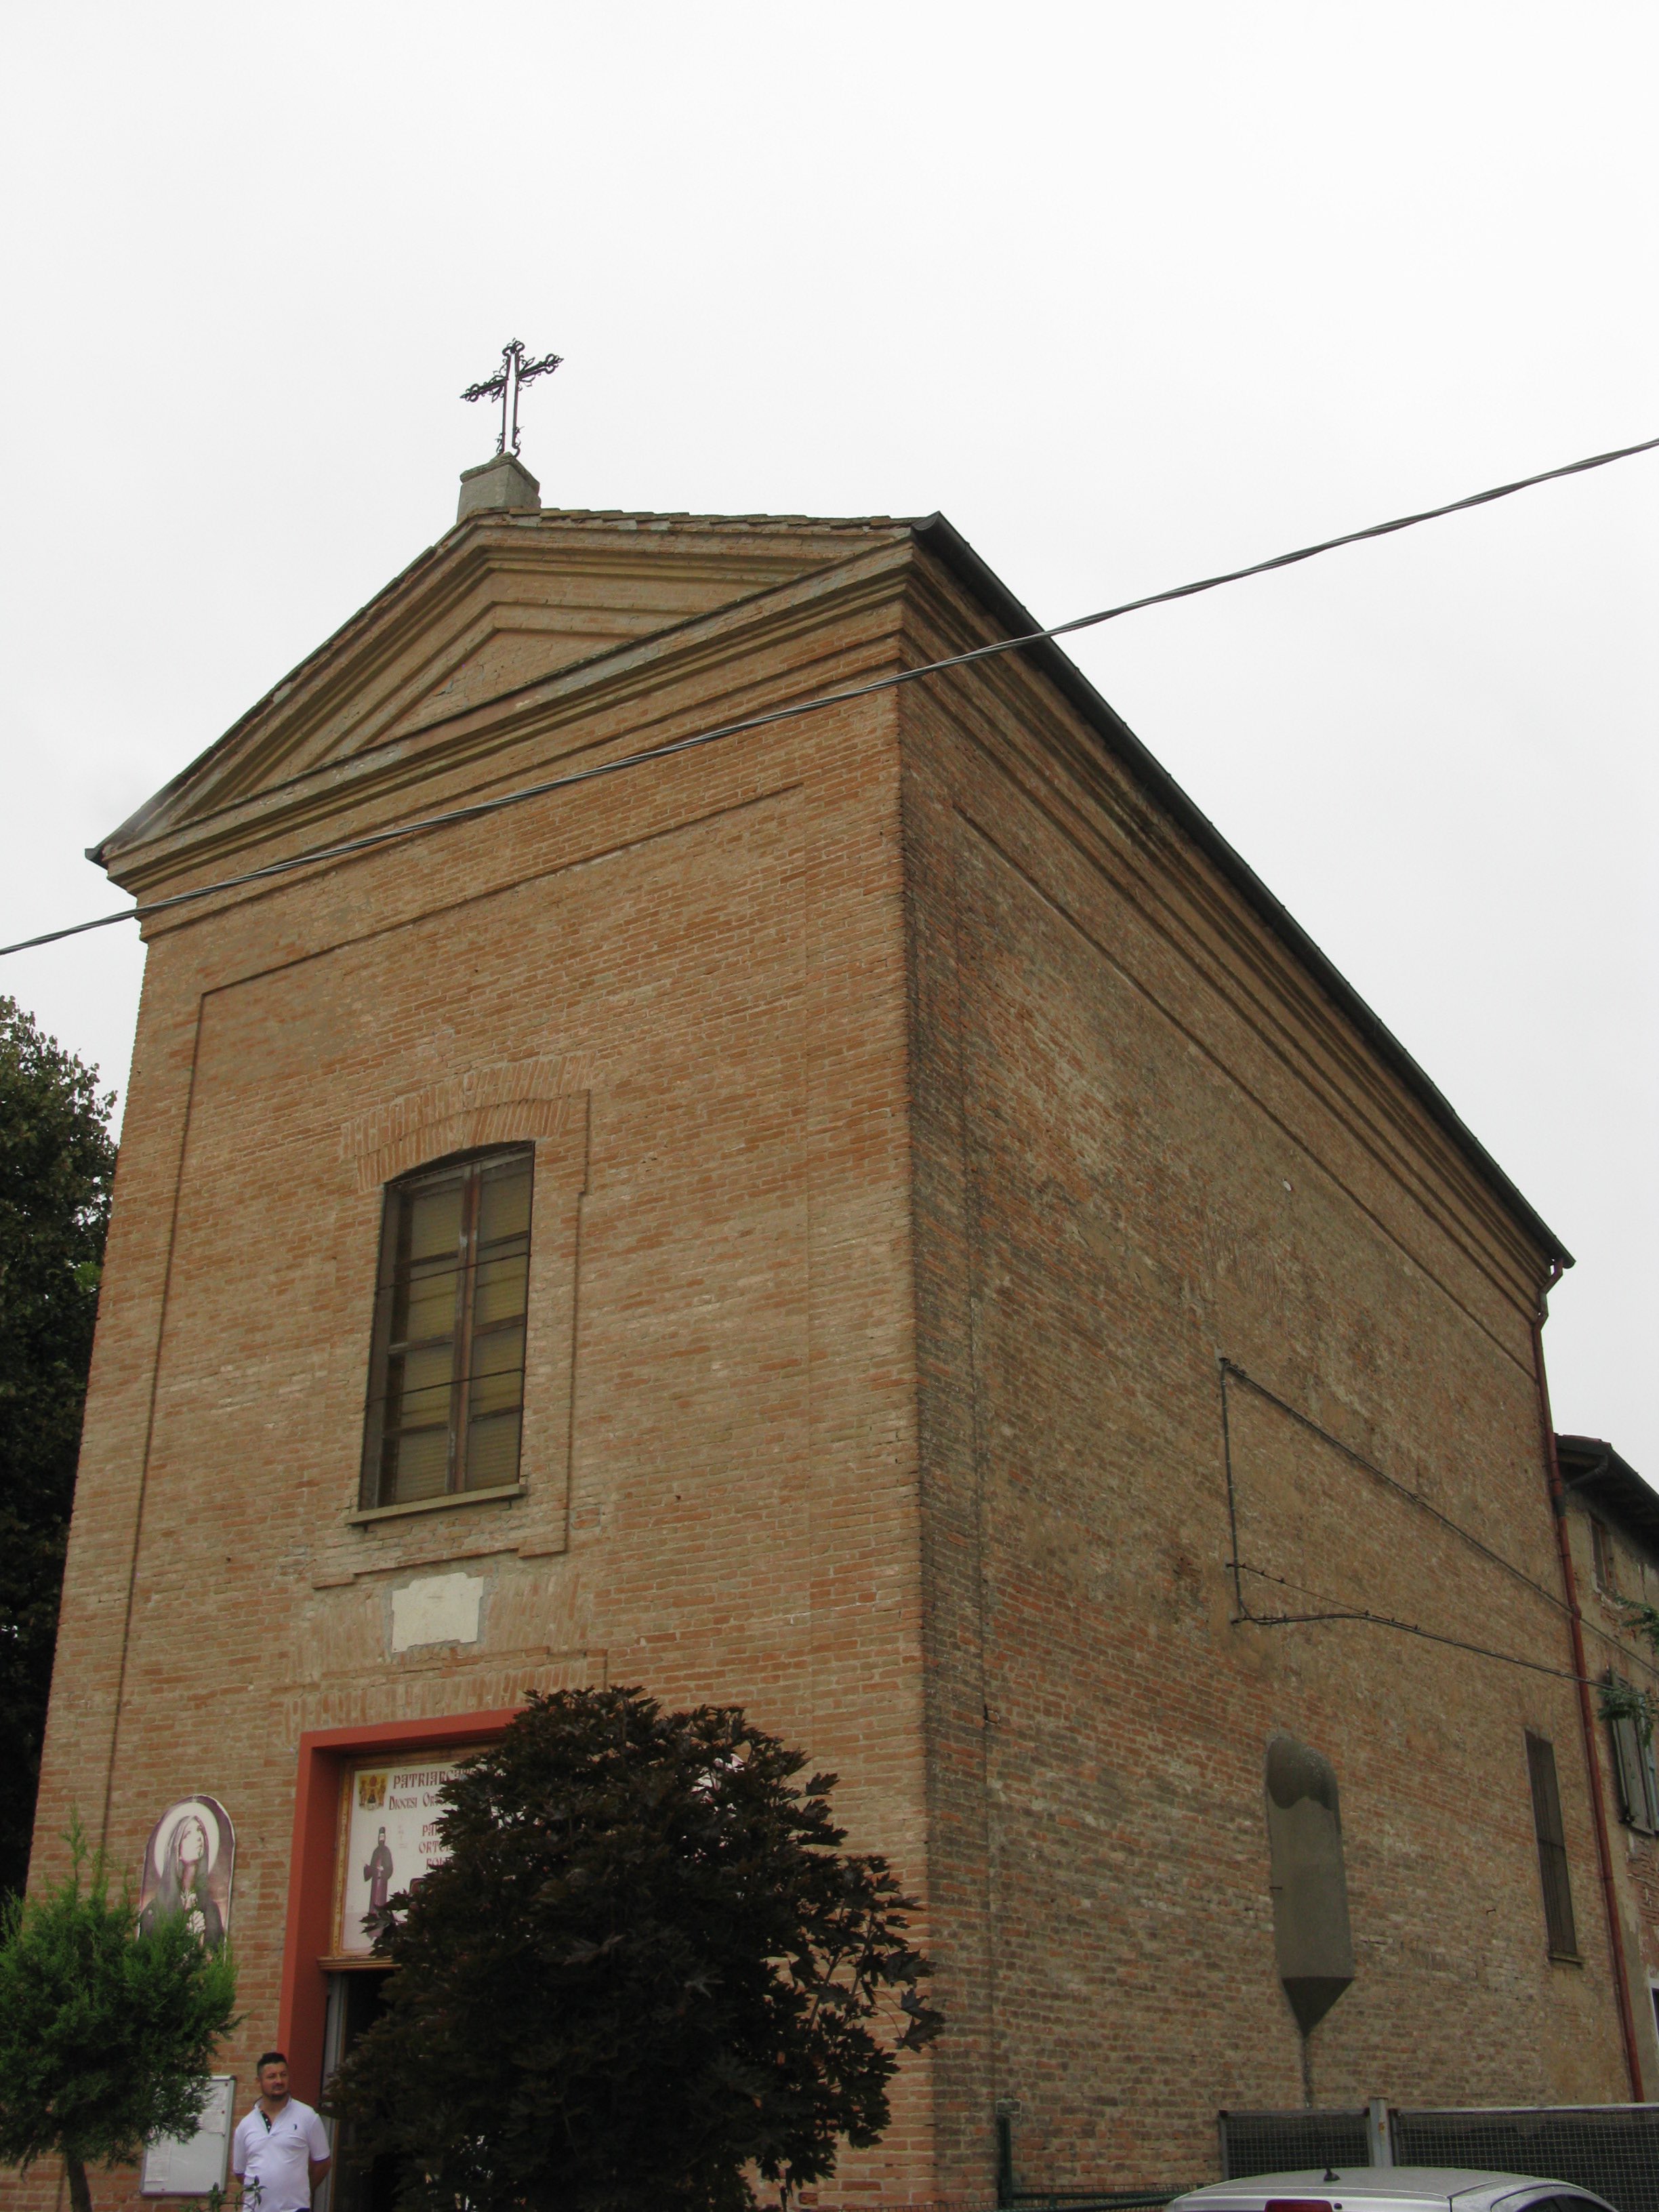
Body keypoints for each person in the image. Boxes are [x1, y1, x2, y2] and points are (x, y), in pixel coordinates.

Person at [232, 2052, 330, 2211]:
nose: (279, 2081)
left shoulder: (307, 2116)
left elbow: (323, 2163)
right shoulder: (246, 2125)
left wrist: (301, 2189)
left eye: (283, 2075)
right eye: (272, 2077)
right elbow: (240, 2173)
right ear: (259, 2081)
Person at [138, 1811, 225, 1948]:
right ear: (177, 1849)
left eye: (199, 1830)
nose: (198, 1837)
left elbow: (216, 1961)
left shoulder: (211, 1909)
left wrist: (199, 1940)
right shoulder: (155, 1911)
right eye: (188, 1834)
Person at [363, 1826, 394, 1933]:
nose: (381, 1839)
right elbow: (372, 1867)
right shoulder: (376, 1851)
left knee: (381, 1903)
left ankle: (380, 1927)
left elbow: (390, 1867)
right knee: (373, 1902)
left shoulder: (387, 1851)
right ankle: (372, 1926)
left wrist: (384, 1868)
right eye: (380, 1837)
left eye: (382, 1837)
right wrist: (367, 1867)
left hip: (382, 1881)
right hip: (375, 1881)